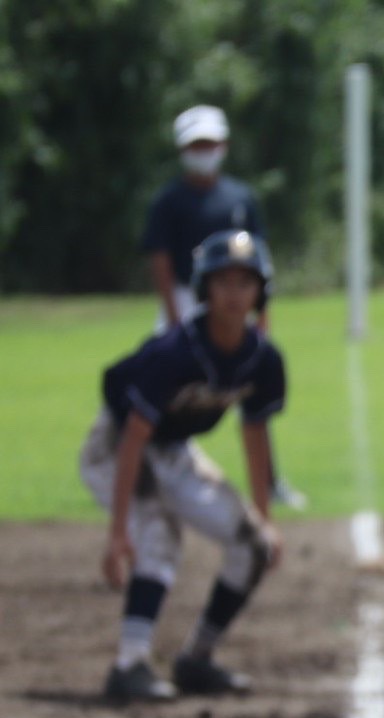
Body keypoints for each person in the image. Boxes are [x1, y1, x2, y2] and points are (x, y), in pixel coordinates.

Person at [81, 229, 286, 703]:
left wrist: (266, 517)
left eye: (245, 282)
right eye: (223, 282)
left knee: (252, 544)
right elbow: (133, 438)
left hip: (172, 450)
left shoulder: (263, 359)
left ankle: (197, 659)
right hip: (114, 446)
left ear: (261, 292)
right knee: (157, 534)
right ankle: (129, 664)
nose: (235, 294)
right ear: (204, 290)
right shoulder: (175, 352)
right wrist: (117, 534)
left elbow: (255, 436)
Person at [140, 104, 306, 510]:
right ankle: (154, 474)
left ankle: (268, 481)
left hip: (238, 304)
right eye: (197, 143)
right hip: (185, 299)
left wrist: (261, 313)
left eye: (210, 142)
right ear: (183, 149)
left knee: (254, 392)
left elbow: (260, 258)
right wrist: (173, 314)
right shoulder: (170, 201)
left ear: (224, 145)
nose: (205, 150)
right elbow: (160, 257)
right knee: (169, 392)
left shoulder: (240, 198)